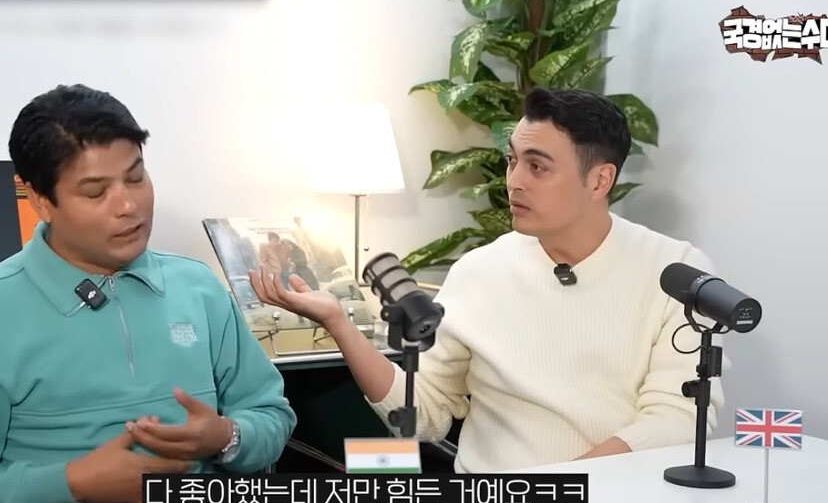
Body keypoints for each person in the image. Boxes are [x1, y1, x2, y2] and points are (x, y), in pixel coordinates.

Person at [249, 87, 724, 473]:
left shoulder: (676, 272)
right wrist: (339, 323)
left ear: (599, 181)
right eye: (512, 160)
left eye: (537, 166)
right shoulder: (479, 271)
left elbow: (677, 418)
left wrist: (560, 490)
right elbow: (426, 414)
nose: (514, 181)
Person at [0, 84, 296, 503]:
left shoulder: (199, 288)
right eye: (95, 192)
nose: (128, 206)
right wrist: (73, 482)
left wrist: (227, 436)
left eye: (136, 178)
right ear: (40, 200)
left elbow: (271, 415)